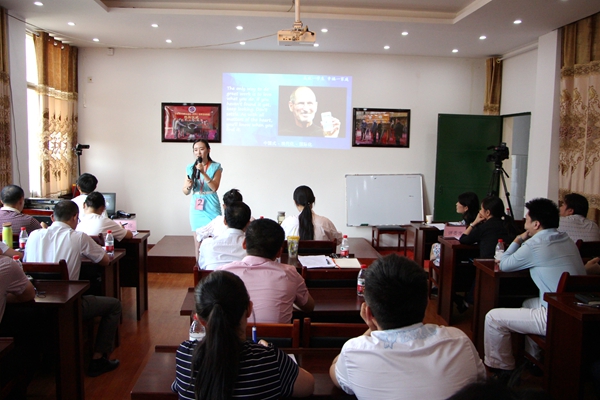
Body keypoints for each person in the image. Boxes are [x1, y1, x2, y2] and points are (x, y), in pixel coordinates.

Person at [330, 254, 485, 399]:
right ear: (425, 303)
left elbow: (335, 372)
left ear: (369, 314)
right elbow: (481, 379)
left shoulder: (355, 352)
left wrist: (371, 329)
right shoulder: (459, 342)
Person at [484, 198, 586, 382]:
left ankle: (503, 369)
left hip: (556, 315)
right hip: (574, 309)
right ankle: (535, 360)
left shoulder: (535, 244)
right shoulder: (566, 239)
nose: (525, 223)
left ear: (536, 224)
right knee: (528, 303)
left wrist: (518, 238)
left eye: (527, 220)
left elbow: (505, 264)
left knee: (493, 318)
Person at [171, 270, 314, 399]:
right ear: (249, 309)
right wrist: (265, 349)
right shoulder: (270, 360)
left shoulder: (185, 355)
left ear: (201, 320)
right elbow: (308, 386)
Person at [24, 200, 122, 377]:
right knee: (114, 305)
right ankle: (97, 359)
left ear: (52, 217)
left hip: (34, 304)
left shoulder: (33, 236)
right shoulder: (78, 237)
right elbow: (105, 261)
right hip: (68, 306)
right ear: (76, 218)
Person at [218, 218, 314, 323]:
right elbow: (309, 307)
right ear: (279, 252)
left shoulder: (222, 274)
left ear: (244, 244)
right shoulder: (290, 274)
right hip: (277, 339)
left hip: (232, 339)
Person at [183, 139, 223, 260]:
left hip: (211, 202)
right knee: (197, 241)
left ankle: (213, 268)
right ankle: (199, 270)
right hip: (196, 205)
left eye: (201, 149)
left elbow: (214, 187)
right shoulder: (190, 168)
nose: (198, 152)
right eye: (195, 150)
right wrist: (188, 186)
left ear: (208, 150)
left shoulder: (216, 167)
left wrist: (203, 173)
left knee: (214, 238)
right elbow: (185, 191)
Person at [198, 201, 250, 270]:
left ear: (224, 221)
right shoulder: (252, 247)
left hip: (214, 280)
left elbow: (202, 268)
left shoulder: (206, 244)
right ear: (248, 223)